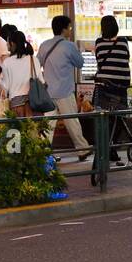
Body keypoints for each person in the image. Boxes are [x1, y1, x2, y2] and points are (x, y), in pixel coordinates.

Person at [36, 15, 90, 160]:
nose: (70, 30)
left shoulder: (44, 45)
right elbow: (80, 63)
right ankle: (83, 149)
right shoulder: (69, 45)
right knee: (72, 122)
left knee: (48, 125)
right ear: (64, 29)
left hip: (48, 92)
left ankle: (44, 152)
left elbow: (37, 65)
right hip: (65, 91)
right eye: (69, 27)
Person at [93, 15, 132, 166]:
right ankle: (112, 147)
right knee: (120, 118)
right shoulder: (123, 42)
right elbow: (126, 58)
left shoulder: (98, 43)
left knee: (103, 118)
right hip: (120, 87)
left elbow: (98, 59)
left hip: (103, 86)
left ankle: (104, 149)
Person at [0, 29, 37, 117]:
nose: (6, 44)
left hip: (16, 105)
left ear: (12, 44)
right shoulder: (33, 59)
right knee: (33, 129)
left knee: (18, 130)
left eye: (8, 42)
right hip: (33, 103)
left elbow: (6, 87)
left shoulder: (7, 62)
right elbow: (41, 80)